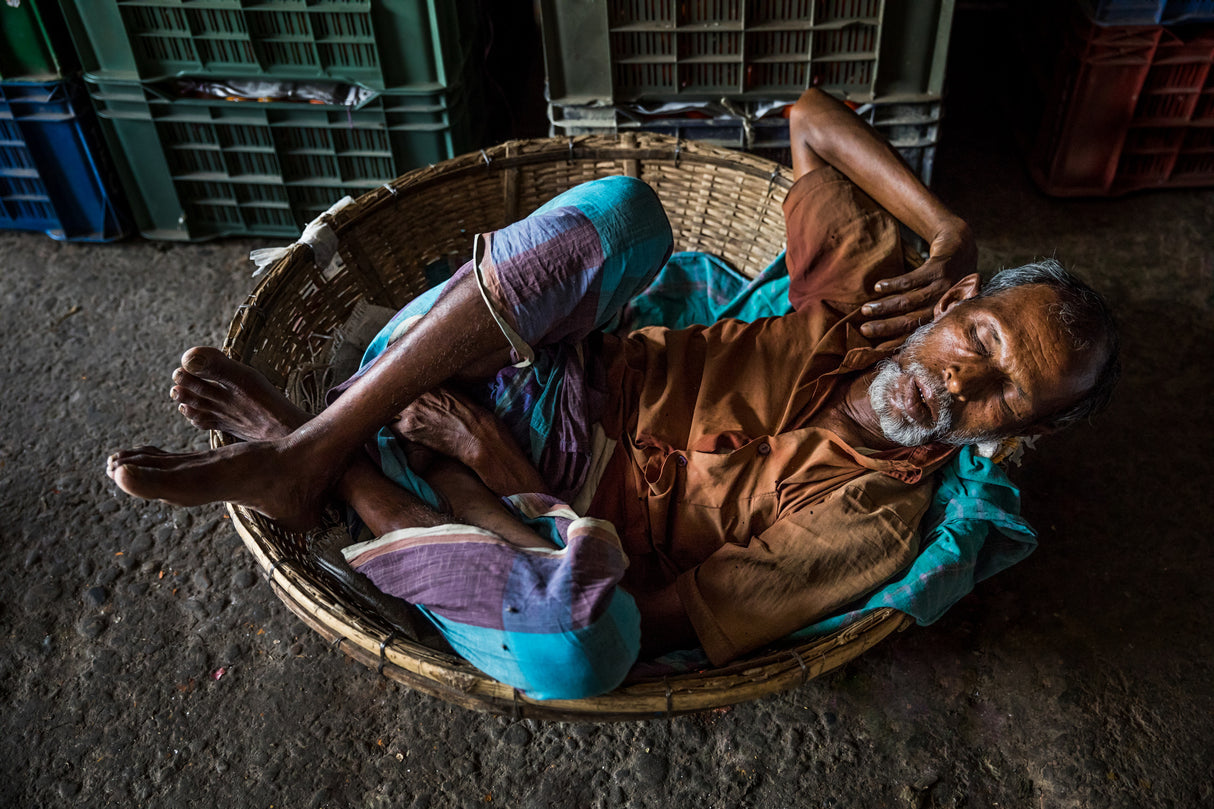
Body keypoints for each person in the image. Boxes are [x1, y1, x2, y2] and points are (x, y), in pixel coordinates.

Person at [107, 89, 1119, 699]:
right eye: (978, 337)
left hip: (546, 528)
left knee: (587, 649)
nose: (956, 379)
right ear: (957, 301)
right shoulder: (877, 294)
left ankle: (330, 466)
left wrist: (494, 470)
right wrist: (947, 228)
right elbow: (808, 118)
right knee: (625, 214)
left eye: (998, 398)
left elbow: (656, 615)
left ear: (1002, 435)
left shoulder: (874, 518)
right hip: (522, 370)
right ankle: (327, 446)